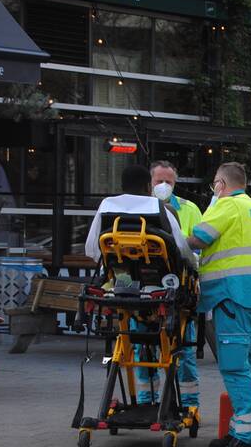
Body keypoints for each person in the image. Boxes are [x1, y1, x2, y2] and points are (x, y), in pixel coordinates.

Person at [85, 164, 198, 411]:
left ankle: (146, 400)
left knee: (136, 346)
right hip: (161, 291)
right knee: (179, 347)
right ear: (149, 186)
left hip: (125, 289)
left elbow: (92, 249)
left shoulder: (106, 206)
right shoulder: (160, 209)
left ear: (121, 186)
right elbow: (182, 252)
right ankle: (188, 404)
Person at [189, 162, 251, 447]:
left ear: (221, 184)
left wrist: (175, 243)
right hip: (249, 296)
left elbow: (199, 237)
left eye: (214, 184)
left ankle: (248, 439)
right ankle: (238, 431)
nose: (214, 189)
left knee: (235, 368)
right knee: (243, 366)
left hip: (232, 296)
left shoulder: (229, 205)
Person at [130, 160, 203, 410]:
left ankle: (189, 403)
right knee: (142, 349)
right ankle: (146, 401)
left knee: (184, 353)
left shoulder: (189, 209)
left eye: (168, 182)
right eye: (158, 181)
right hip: (144, 288)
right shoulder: (138, 207)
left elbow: (197, 247)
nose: (163, 186)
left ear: (175, 182)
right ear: (148, 183)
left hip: (179, 288)